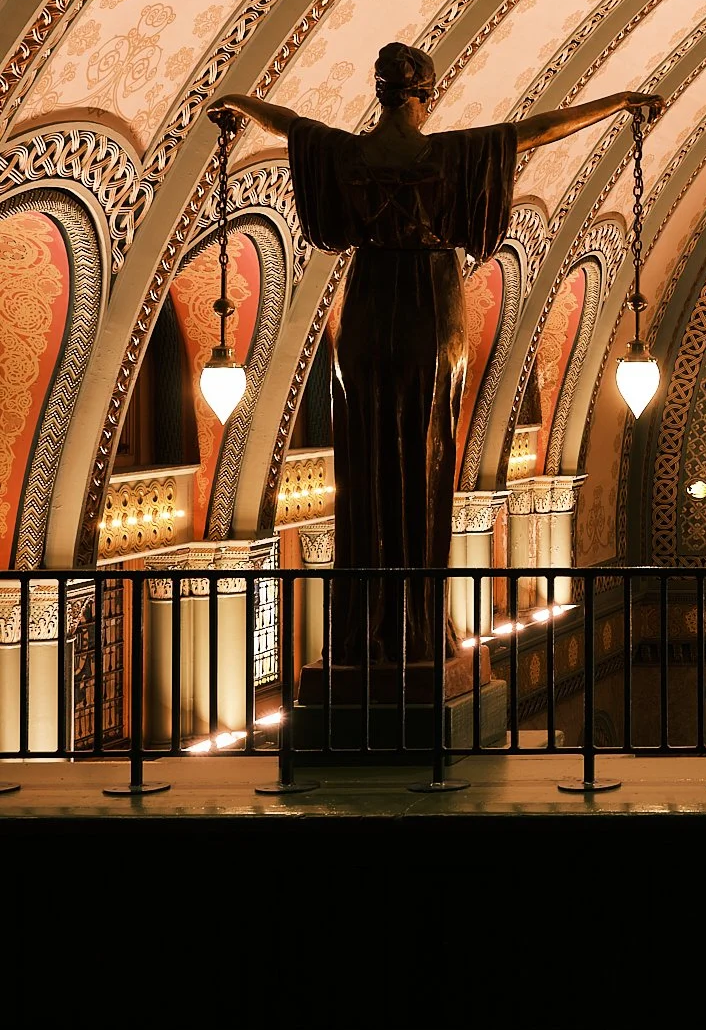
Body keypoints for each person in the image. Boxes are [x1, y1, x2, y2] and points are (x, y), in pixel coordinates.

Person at [210, 43, 654, 671]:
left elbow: (290, 126)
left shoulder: (347, 153)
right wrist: (617, 103)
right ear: (426, 94)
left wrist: (240, 104)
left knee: (362, 458)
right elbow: (534, 132)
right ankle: (419, 631)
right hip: (430, 309)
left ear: (381, 91)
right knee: (426, 457)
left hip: (364, 313)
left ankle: (364, 636)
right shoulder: (451, 156)